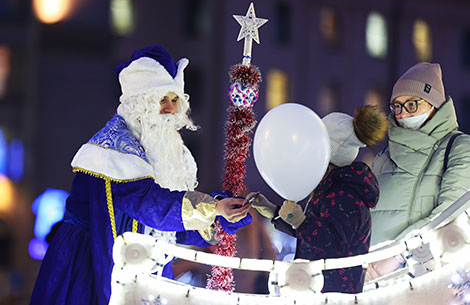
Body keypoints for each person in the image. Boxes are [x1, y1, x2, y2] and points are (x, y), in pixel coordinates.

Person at [29, 45, 252, 305]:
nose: (170, 108)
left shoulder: (164, 152)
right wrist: (212, 208)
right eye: (161, 100)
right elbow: (148, 205)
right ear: (140, 102)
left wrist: (219, 217)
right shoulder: (112, 146)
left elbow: (167, 230)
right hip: (89, 264)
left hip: (141, 266)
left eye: (175, 100)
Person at [248, 105, 388, 293]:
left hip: (335, 295)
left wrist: (300, 221)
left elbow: (334, 246)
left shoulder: (346, 195)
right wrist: (274, 212)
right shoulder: (330, 188)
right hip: (318, 288)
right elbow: (312, 234)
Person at [367, 62, 470, 280]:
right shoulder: (385, 155)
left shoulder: (458, 147)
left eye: (412, 105)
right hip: (368, 283)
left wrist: (395, 257)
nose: (402, 114)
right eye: (397, 106)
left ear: (434, 104)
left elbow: (451, 211)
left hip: (420, 281)